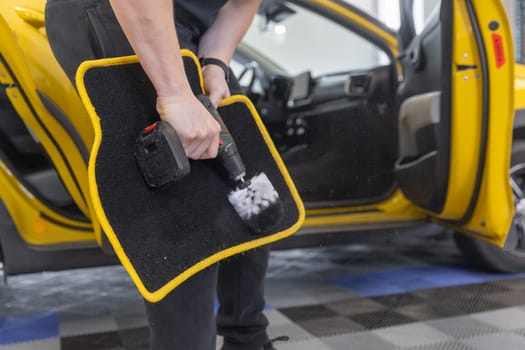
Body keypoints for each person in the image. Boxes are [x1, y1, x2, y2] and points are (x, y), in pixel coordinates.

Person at [45, 1, 285, 349]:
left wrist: (216, 64)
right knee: (185, 204)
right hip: (122, 10)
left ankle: (247, 339)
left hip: (187, 26)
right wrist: (173, 93)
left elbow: (240, 3)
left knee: (250, 179)